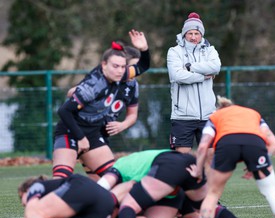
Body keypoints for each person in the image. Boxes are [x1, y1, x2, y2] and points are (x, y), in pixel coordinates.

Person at [187, 96, 275, 218]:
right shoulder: (253, 113)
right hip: (255, 143)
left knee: (212, 194)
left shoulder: (215, 117)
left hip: (227, 144)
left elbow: (203, 146)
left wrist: (198, 170)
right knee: (271, 192)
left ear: (220, 108)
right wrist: (258, 164)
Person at [97, 149, 268, 218]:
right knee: (210, 209)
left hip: (167, 173)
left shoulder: (117, 170)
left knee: (130, 207)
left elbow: (104, 190)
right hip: (184, 169)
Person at [52, 29, 150, 180]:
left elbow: (142, 66)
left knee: (113, 180)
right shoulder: (93, 86)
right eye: (116, 66)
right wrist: (80, 137)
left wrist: (144, 49)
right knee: (61, 180)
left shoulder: (121, 76)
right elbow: (64, 111)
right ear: (104, 65)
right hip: (71, 131)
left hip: (93, 132)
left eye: (123, 67)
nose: (121, 71)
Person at [66, 46, 142, 180]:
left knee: (101, 183)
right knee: (110, 179)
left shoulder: (133, 86)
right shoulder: (102, 80)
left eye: (137, 69)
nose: (134, 72)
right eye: (131, 68)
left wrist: (122, 125)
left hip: (99, 133)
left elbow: (133, 114)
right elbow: (71, 94)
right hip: (82, 130)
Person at [167, 12, 221, 154]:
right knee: (181, 160)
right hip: (182, 116)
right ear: (184, 34)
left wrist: (190, 67)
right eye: (189, 33)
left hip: (208, 115)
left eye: (196, 33)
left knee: (210, 158)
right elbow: (177, 76)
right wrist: (203, 76)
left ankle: (204, 177)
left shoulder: (210, 50)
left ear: (201, 34)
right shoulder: (174, 52)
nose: (193, 37)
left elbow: (215, 67)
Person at [18, 174, 116, 218]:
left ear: (27, 190)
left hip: (81, 184)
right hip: (106, 199)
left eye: (21, 196)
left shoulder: (36, 186)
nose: (22, 203)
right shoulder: (60, 208)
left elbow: (32, 212)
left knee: (32, 212)